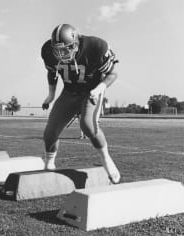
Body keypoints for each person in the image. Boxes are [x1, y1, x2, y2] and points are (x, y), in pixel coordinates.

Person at [40, 24, 120, 184]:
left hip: (91, 91)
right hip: (69, 93)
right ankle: (49, 165)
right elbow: (52, 73)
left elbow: (112, 73)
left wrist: (99, 89)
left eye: (65, 49)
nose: (61, 54)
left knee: (88, 125)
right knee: (49, 134)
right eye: (57, 50)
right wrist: (51, 95)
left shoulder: (96, 46)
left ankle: (106, 159)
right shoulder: (47, 51)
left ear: (76, 44)